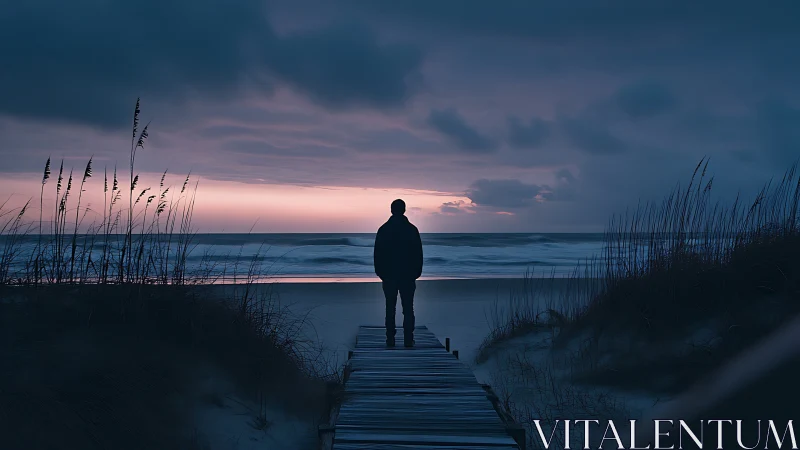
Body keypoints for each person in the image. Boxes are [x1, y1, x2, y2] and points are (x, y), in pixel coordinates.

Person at [373, 199, 423, 348]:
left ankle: (390, 339)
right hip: (407, 275)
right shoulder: (412, 229)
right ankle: (408, 339)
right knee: (408, 308)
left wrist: (380, 272)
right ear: (404, 210)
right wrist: (416, 272)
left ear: (391, 210)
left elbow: (377, 254)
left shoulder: (383, 229)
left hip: (389, 275)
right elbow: (418, 254)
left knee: (390, 307)